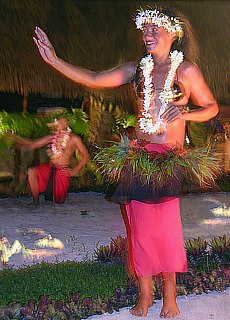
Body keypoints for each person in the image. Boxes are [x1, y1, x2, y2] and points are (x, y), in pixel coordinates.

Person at [33, 6, 219, 318]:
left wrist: (186, 112)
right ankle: (145, 295)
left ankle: (170, 296)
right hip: (140, 157)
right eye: (144, 29)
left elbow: (211, 106)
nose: (147, 34)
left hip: (169, 160)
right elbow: (93, 78)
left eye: (154, 28)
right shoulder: (136, 69)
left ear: (173, 33)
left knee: (167, 230)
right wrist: (55, 60)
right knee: (141, 230)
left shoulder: (185, 71)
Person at [7, 117, 89, 205]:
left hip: (62, 170)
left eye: (61, 122)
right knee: (32, 171)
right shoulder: (52, 137)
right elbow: (32, 144)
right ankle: (35, 201)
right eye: (57, 123)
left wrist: (74, 171)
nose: (58, 124)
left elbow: (86, 155)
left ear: (66, 124)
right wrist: (14, 137)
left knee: (59, 201)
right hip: (50, 167)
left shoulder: (74, 138)